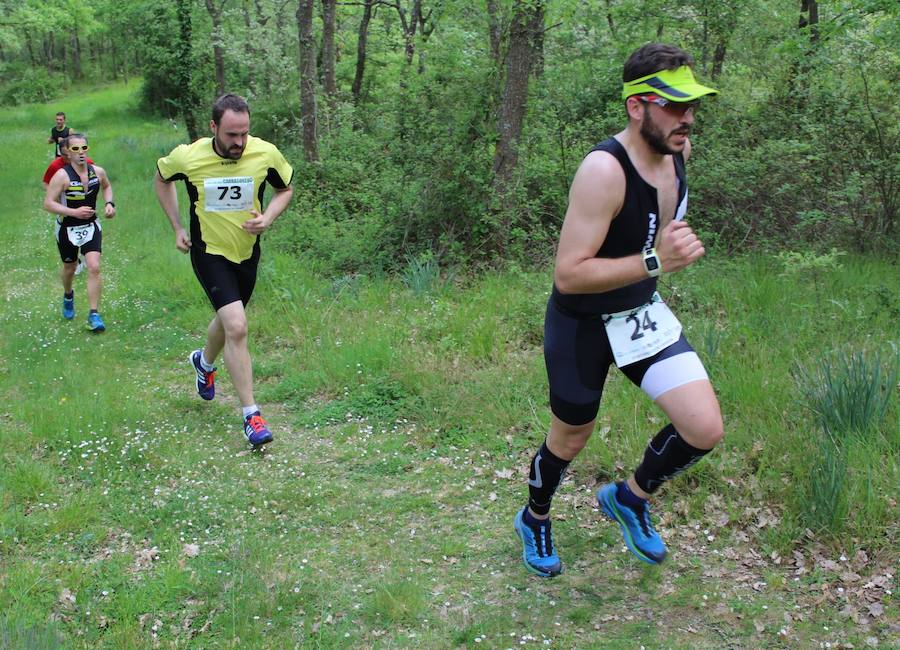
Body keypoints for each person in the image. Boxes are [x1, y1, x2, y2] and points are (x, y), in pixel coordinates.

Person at [514, 43, 724, 577]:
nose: (688, 118)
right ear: (638, 106)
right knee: (571, 436)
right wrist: (657, 258)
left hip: (638, 314)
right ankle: (535, 516)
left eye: (692, 105)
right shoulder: (602, 171)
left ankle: (630, 499)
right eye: (675, 106)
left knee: (703, 428)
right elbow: (569, 272)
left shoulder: (680, 154)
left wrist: (663, 250)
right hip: (581, 322)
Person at [154, 93, 294, 449]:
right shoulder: (189, 156)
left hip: (247, 253)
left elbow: (285, 189)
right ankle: (252, 416)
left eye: (245, 133)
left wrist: (269, 217)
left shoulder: (265, 153)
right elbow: (162, 178)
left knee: (228, 319)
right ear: (213, 127)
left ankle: (203, 362)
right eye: (232, 135)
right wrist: (176, 227)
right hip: (208, 252)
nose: (240, 142)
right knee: (237, 325)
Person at [43, 133, 116, 331]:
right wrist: (73, 211)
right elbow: (48, 204)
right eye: (76, 149)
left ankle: (94, 315)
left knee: (94, 267)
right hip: (67, 228)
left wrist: (109, 203)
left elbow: (107, 186)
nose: (81, 153)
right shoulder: (61, 176)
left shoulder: (98, 171)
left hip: (91, 226)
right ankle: (68, 295)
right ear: (67, 152)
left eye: (84, 148)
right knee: (70, 268)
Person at [43, 140, 94, 276]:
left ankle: (87, 255)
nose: (67, 158)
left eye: (69, 154)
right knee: (68, 224)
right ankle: (74, 259)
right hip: (63, 200)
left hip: (83, 205)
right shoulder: (56, 166)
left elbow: (94, 180)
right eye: (64, 155)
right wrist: (56, 196)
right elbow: (46, 183)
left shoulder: (87, 163)